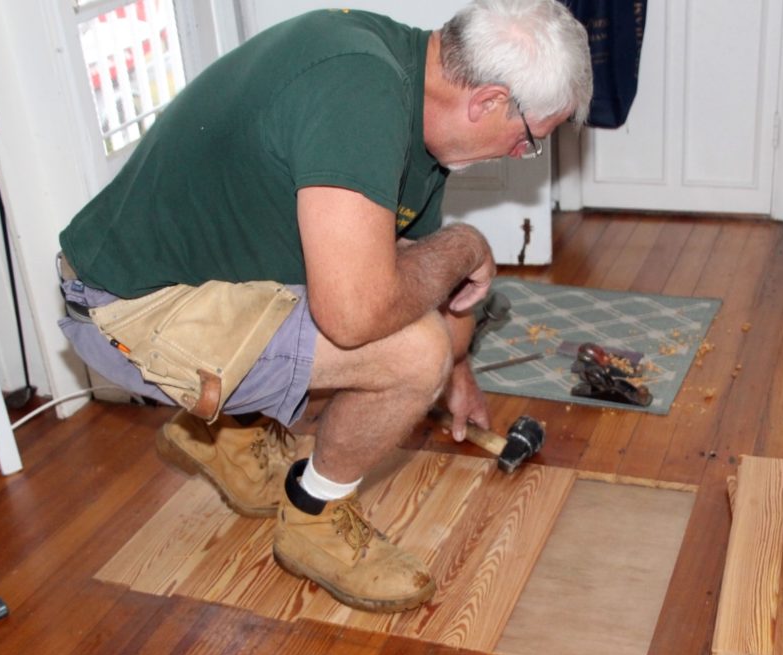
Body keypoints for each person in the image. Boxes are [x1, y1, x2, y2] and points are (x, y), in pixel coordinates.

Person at [56, 0, 591, 613]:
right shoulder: (359, 96)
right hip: (129, 306)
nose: (520, 155)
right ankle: (314, 516)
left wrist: (460, 373)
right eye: (529, 141)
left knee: (410, 314)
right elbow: (355, 315)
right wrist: (467, 248)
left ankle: (225, 434)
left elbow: (418, 267)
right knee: (413, 352)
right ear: (490, 102)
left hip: (198, 281)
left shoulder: (410, 86)